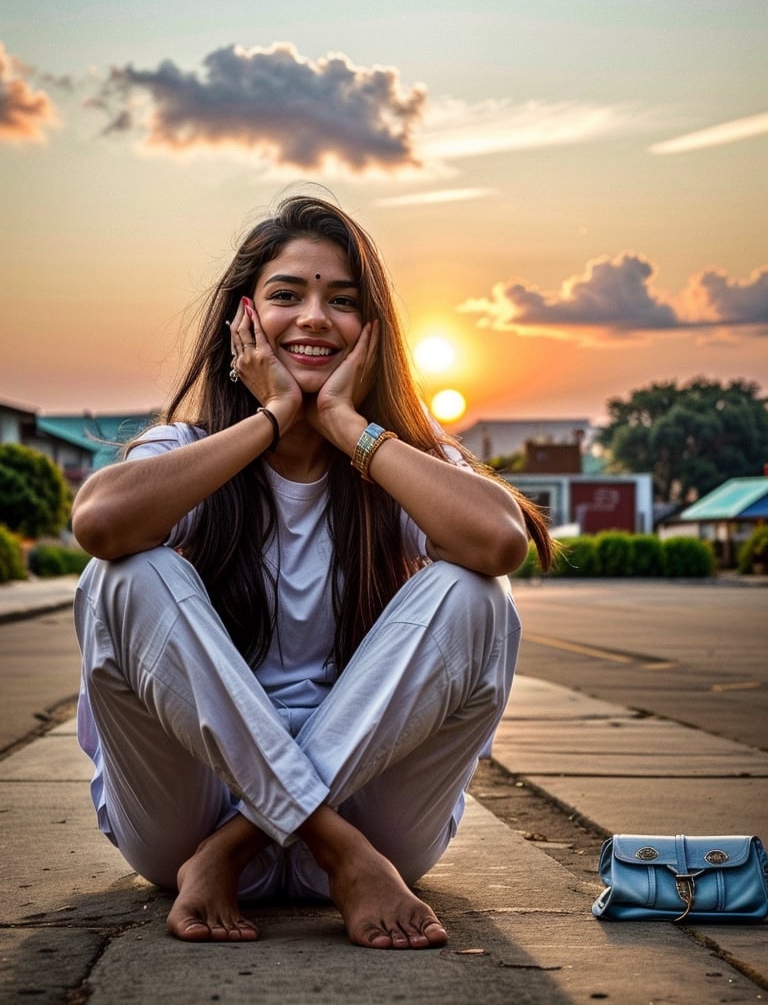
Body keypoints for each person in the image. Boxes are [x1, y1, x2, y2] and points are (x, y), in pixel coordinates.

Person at [71, 192, 554, 950]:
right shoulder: (191, 452)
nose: (314, 319)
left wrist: (342, 425)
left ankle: (252, 844)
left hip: (371, 820)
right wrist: (268, 420)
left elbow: (500, 542)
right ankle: (319, 843)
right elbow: (99, 524)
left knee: (474, 593)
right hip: (187, 822)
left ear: (374, 330)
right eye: (287, 295)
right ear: (243, 319)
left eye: (342, 301)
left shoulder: (397, 462)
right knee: (125, 576)